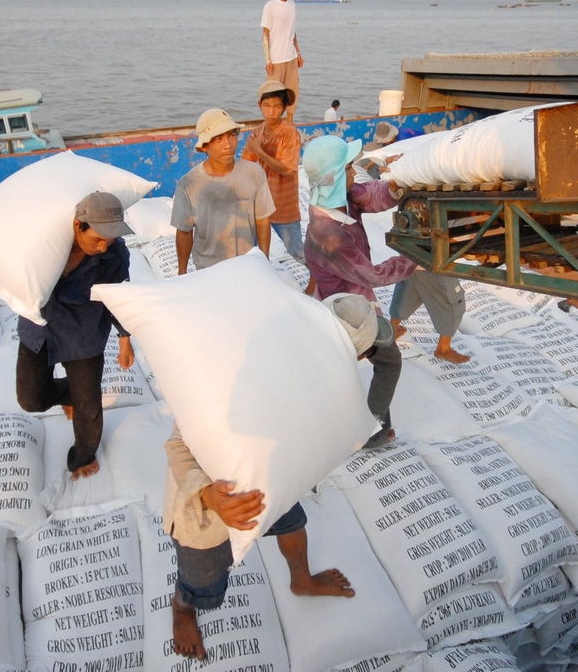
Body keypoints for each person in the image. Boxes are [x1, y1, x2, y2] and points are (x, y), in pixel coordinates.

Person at [167, 296, 395, 660]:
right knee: (201, 576)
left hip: (273, 480)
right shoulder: (246, 363)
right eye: (361, 353)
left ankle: (301, 580)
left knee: (293, 524)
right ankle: (182, 609)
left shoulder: (321, 378)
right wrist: (210, 496)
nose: (361, 361)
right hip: (212, 497)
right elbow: (178, 443)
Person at [0, 191, 136, 480]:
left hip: (84, 333)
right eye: (97, 238)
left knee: (88, 408)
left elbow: (120, 296)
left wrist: (125, 337)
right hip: (39, 328)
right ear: (78, 225)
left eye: (110, 239)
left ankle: (83, 455)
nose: (104, 246)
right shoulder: (41, 243)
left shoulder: (115, 255)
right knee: (31, 400)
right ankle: (71, 392)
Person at [302, 135, 470, 364]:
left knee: (372, 353)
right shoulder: (330, 236)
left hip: (355, 295)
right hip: (349, 311)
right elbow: (374, 275)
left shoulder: (336, 198)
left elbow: (369, 196)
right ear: (334, 177)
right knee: (382, 361)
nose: (354, 173)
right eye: (349, 168)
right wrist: (415, 257)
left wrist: (394, 183)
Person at [172, 108, 274, 273]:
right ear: (205, 146)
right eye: (218, 138)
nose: (228, 144)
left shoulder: (254, 173)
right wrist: (182, 272)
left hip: (247, 264)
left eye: (232, 135)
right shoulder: (189, 183)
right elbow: (184, 231)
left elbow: (262, 220)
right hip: (208, 268)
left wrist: (265, 261)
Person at [324, 292, 402, 448]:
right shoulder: (325, 351)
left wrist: (375, 428)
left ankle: (373, 432)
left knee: (389, 364)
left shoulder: (355, 308)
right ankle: (365, 434)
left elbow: (390, 365)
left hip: (356, 319)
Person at [243, 80, 304, 262]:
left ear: (284, 108)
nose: (271, 112)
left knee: (296, 250)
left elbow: (287, 170)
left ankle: (316, 281)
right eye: (267, 106)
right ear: (259, 105)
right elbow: (247, 167)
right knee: (255, 252)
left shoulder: (289, 133)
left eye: (277, 106)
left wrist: (260, 152)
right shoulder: (256, 133)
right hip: (259, 205)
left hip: (283, 205)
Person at [261, 0, 302, 121]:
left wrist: (298, 54)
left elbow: (293, 32)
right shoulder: (270, 6)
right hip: (276, 58)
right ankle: (272, 122)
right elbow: (265, 34)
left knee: (292, 91)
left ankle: (289, 121)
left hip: (290, 56)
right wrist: (268, 60)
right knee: (272, 94)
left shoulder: (292, 4)